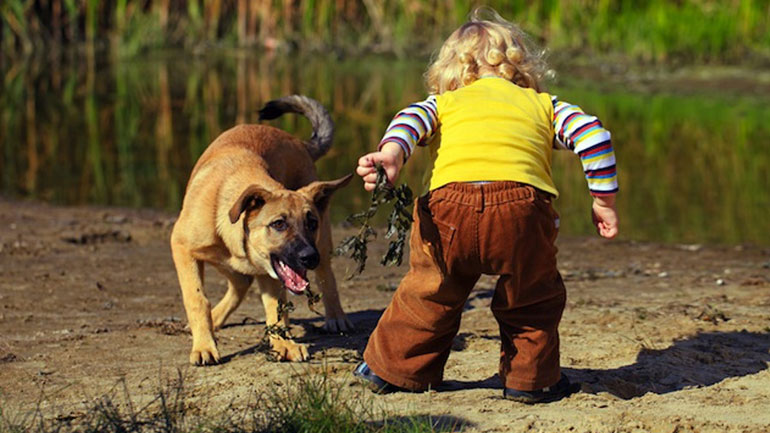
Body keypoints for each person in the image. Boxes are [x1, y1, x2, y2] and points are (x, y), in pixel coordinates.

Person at [353, 8, 618, 404]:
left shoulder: (445, 102)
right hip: (522, 212)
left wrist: (392, 154)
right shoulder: (543, 105)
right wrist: (603, 200)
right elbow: (593, 137)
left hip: (448, 209)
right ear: (518, 65)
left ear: (451, 71)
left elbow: (411, 119)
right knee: (532, 296)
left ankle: (392, 370)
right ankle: (531, 381)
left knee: (430, 291)